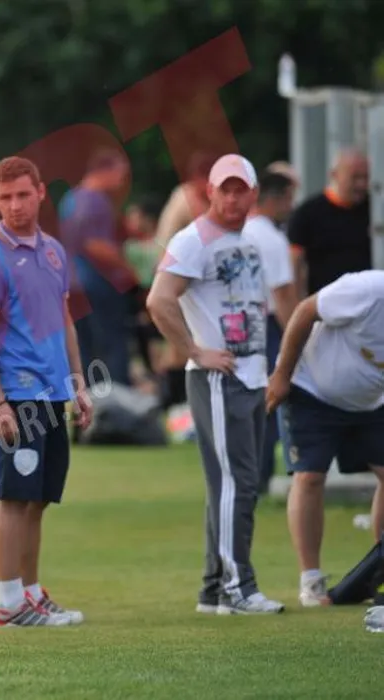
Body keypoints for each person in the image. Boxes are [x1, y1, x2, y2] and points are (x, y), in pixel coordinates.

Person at [146, 154, 290, 615]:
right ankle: (237, 586)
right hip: (217, 379)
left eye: (239, 189)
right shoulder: (193, 240)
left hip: (247, 376)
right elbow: (159, 300)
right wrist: (195, 350)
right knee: (237, 483)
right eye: (223, 189)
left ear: (253, 194)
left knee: (234, 484)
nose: (231, 198)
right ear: (209, 192)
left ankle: (214, 589)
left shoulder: (246, 240)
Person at [0, 155, 93, 627]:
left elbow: (64, 322)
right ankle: (8, 604)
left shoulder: (54, 250)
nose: (16, 205)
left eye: (24, 194)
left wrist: (77, 382)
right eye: (6, 197)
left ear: (41, 193)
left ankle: (31, 593)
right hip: (17, 395)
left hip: (51, 394)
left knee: (37, 499)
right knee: (13, 498)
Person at [265, 270, 384, 606]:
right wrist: (281, 376)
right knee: (310, 476)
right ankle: (311, 580)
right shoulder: (367, 290)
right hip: (311, 389)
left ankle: (378, 573)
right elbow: (304, 310)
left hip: (373, 401)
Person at [59, 149, 136, 388]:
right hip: (96, 283)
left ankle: (92, 398)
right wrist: (128, 270)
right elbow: (95, 245)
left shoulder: (70, 198)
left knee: (85, 347)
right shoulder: (95, 201)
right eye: (120, 174)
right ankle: (119, 397)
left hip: (71, 284)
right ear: (105, 171)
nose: (122, 181)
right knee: (112, 342)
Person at [244, 171, 299, 494]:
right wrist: (298, 338)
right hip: (268, 327)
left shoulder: (242, 232)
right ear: (276, 199)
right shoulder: (273, 240)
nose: (291, 206)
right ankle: (260, 475)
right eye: (289, 199)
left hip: (241, 325)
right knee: (272, 399)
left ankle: (249, 475)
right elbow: (283, 295)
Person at [154, 152, 217, 407]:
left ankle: (173, 401)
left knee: (178, 347)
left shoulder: (187, 195)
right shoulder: (187, 198)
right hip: (177, 280)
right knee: (179, 348)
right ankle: (171, 401)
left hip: (186, 278)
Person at [288, 149, 371, 299]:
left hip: (370, 303)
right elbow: (295, 263)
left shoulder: (375, 211)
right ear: (334, 175)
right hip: (324, 305)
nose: (361, 184)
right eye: (355, 177)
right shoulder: (308, 213)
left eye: (365, 177)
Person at [123, 196, 165, 382]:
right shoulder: (129, 248)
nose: (129, 222)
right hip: (139, 303)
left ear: (148, 219)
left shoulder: (162, 245)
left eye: (134, 217)